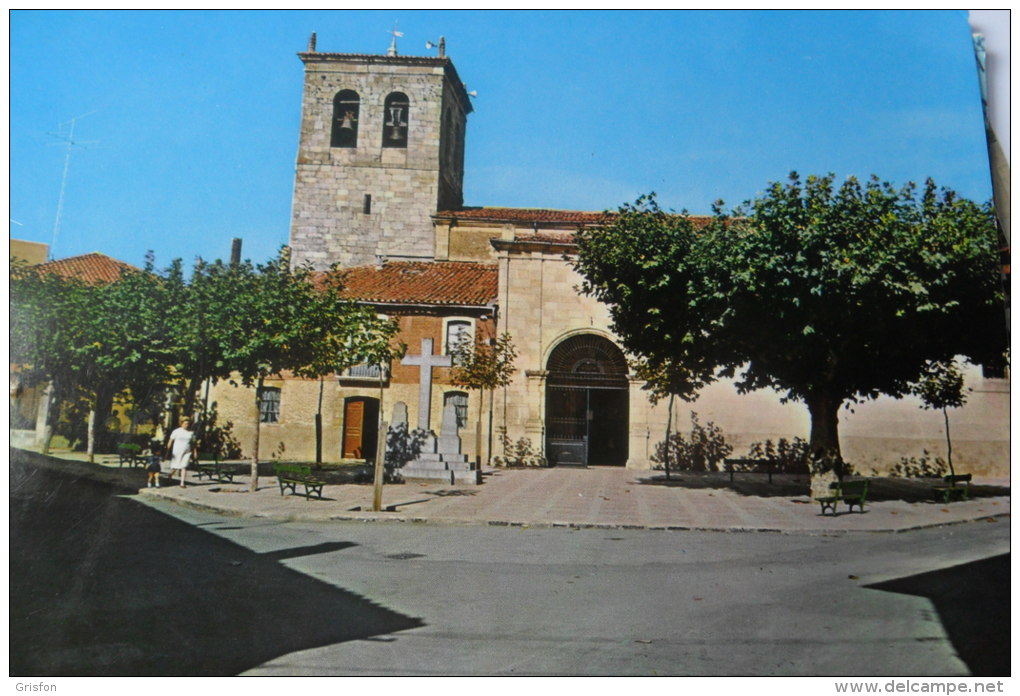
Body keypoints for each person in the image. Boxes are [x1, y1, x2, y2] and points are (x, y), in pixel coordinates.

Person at [165, 418, 197, 487]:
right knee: (175, 467)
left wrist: (195, 452)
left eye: (188, 424)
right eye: (185, 424)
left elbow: (194, 443)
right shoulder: (176, 431)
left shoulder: (191, 433)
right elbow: (170, 441)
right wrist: (167, 451)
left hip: (187, 451)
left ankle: (182, 483)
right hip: (177, 451)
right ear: (181, 424)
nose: (186, 425)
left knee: (184, 466)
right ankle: (170, 475)